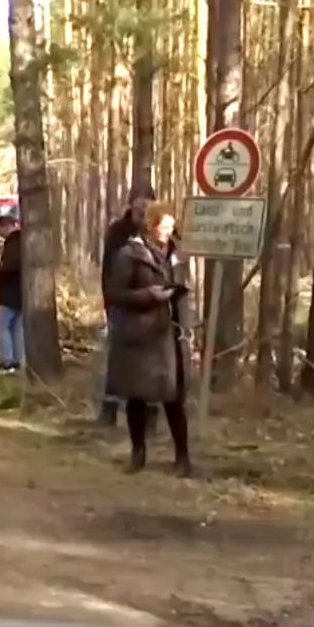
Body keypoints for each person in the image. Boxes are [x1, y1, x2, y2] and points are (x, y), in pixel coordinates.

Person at [104, 201, 193, 477]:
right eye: (163, 228)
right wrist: (148, 296)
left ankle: (182, 457)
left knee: (173, 397)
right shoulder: (129, 255)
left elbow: (185, 293)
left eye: (171, 228)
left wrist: (187, 329)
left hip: (170, 335)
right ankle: (138, 453)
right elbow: (115, 293)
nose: (168, 233)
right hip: (139, 335)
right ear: (150, 227)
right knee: (137, 397)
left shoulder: (177, 255)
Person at [97, 187, 156, 424]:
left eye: (147, 204)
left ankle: (148, 411)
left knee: (151, 360)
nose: (142, 209)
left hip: (153, 305)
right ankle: (110, 407)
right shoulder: (119, 232)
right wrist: (109, 300)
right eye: (139, 204)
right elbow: (108, 269)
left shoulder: (159, 231)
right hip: (122, 302)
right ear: (130, 205)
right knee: (118, 357)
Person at [0, 214, 23, 374]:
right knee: (16, 329)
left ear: (6, 226)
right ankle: (16, 361)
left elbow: (10, 267)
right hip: (20, 294)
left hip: (8, 293)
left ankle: (7, 362)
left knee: (2, 328)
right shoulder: (21, 242)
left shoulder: (14, 244)